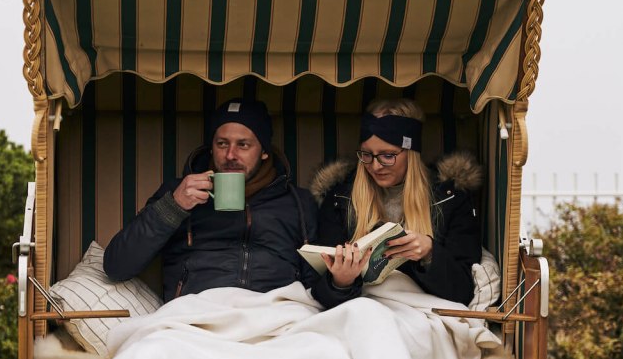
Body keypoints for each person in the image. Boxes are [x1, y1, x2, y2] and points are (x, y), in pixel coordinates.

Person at [104, 98, 318, 300]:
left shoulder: (299, 203)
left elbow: (316, 284)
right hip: (197, 312)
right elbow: (117, 266)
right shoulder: (179, 192)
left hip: (276, 313)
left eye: (243, 145)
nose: (230, 155)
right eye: (222, 144)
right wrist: (174, 206)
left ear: (264, 152)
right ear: (211, 147)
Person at [309, 99, 483, 308]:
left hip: (421, 311)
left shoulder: (451, 200)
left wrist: (430, 253)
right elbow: (316, 288)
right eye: (366, 155)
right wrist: (340, 282)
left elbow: (463, 291)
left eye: (388, 155)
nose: (375, 165)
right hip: (361, 309)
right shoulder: (340, 199)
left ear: (411, 151)